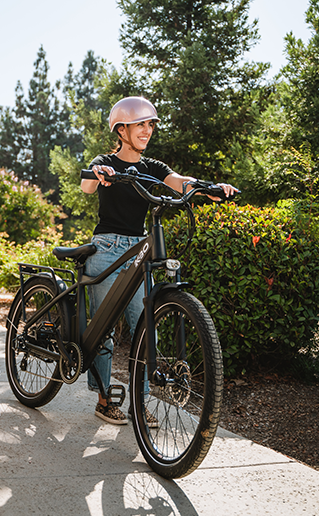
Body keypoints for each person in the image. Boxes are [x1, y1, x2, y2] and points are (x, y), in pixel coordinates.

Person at [81, 96, 238, 425]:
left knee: (144, 329)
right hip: (107, 247)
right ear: (121, 129)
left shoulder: (152, 167)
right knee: (103, 331)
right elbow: (87, 185)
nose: (147, 130)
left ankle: (141, 401)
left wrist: (210, 188)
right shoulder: (106, 160)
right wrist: (100, 173)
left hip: (139, 250)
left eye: (150, 124)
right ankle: (104, 399)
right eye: (141, 124)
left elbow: (180, 181)